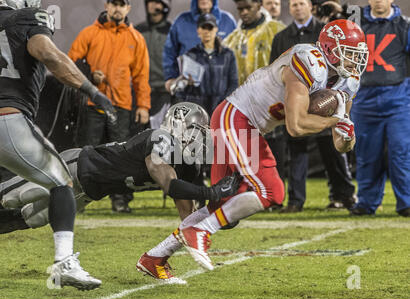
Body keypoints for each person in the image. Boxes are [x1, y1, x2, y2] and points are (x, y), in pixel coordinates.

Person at [137, 19, 369, 277]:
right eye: (348, 52)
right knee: (272, 190)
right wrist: (334, 121)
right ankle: (199, 230)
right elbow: (296, 126)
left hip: (244, 124)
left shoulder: (347, 83)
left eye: (358, 54)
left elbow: (341, 144)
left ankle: (155, 256)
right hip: (236, 116)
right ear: (328, 47)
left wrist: (346, 133)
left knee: (223, 203)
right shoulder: (309, 60)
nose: (353, 61)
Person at [0, 102, 242, 281]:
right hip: (75, 168)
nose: (196, 139)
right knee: (10, 197)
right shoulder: (161, 138)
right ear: (179, 126)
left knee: (29, 218)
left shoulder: (188, 165)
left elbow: (187, 218)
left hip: (89, 192)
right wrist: (211, 193)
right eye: (193, 131)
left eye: (200, 133)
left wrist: (221, 213)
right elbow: (169, 184)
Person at [0, 0, 118, 290]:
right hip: (7, 118)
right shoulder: (26, 18)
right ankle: (64, 262)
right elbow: (48, 54)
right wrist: (92, 91)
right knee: (62, 182)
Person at [268, 0, 356, 213]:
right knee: (296, 151)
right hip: (297, 101)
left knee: (332, 152)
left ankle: (343, 195)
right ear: (290, 8)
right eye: (294, 4)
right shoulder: (281, 37)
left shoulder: (326, 32)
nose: (298, 7)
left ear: (310, 6)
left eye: (302, 3)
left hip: (323, 100)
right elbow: (273, 71)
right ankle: (296, 201)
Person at [68, 0, 151, 214]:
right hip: (92, 104)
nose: (117, 8)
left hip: (122, 106)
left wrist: (143, 106)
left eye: (121, 4)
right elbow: (70, 64)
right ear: (106, 5)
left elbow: (142, 77)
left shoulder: (136, 38)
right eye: (114, 3)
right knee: (84, 153)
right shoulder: (89, 33)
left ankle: (120, 200)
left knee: (123, 156)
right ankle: (75, 199)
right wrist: (89, 75)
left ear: (128, 8)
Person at [350, 0, 410, 217]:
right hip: (364, 98)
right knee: (367, 154)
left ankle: (407, 202)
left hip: (398, 98)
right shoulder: (354, 23)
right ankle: (366, 203)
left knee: (401, 152)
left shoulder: (405, 25)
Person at [163, 0, 237, 94]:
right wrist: (170, 77)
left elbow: (237, 57)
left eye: (210, 28)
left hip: (220, 90)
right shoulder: (181, 21)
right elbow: (169, 52)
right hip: (189, 88)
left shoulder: (228, 21)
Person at [173, 13, 238, 117]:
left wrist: (224, 105)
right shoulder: (190, 56)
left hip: (221, 109)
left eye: (210, 27)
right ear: (198, 30)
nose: (207, 31)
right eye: (203, 27)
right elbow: (181, 90)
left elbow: (233, 83)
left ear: (216, 29)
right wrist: (185, 84)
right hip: (198, 112)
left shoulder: (227, 55)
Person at [222, 0, 285, 85]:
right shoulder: (230, 41)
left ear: (259, 6)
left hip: (271, 94)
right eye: (240, 9)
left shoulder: (277, 31)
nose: (244, 12)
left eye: (248, 8)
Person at [135, 0, 172, 124]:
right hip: (139, 92)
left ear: (165, 6)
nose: (153, 5)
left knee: (160, 135)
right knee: (136, 137)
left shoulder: (172, 32)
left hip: (164, 92)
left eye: (157, 2)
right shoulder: (137, 30)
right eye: (150, 1)